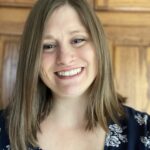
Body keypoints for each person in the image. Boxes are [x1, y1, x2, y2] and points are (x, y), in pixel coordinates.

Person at [0, 0, 150, 149]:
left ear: (99, 46)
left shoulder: (144, 131)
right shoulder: (3, 131)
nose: (64, 58)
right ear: (32, 57)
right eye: (48, 46)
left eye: (77, 40)